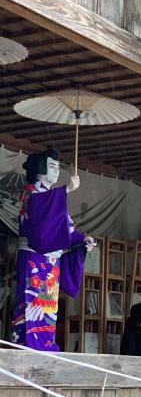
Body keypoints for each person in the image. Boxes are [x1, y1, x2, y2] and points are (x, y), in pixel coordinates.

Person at [11, 149, 96, 351]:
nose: (57, 171)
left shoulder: (52, 198)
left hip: (50, 264)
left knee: (47, 308)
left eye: (58, 167)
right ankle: (24, 345)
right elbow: (39, 210)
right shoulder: (31, 193)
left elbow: (68, 229)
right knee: (29, 303)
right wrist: (66, 189)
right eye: (52, 166)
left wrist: (84, 239)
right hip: (33, 258)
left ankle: (46, 344)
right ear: (39, 171)